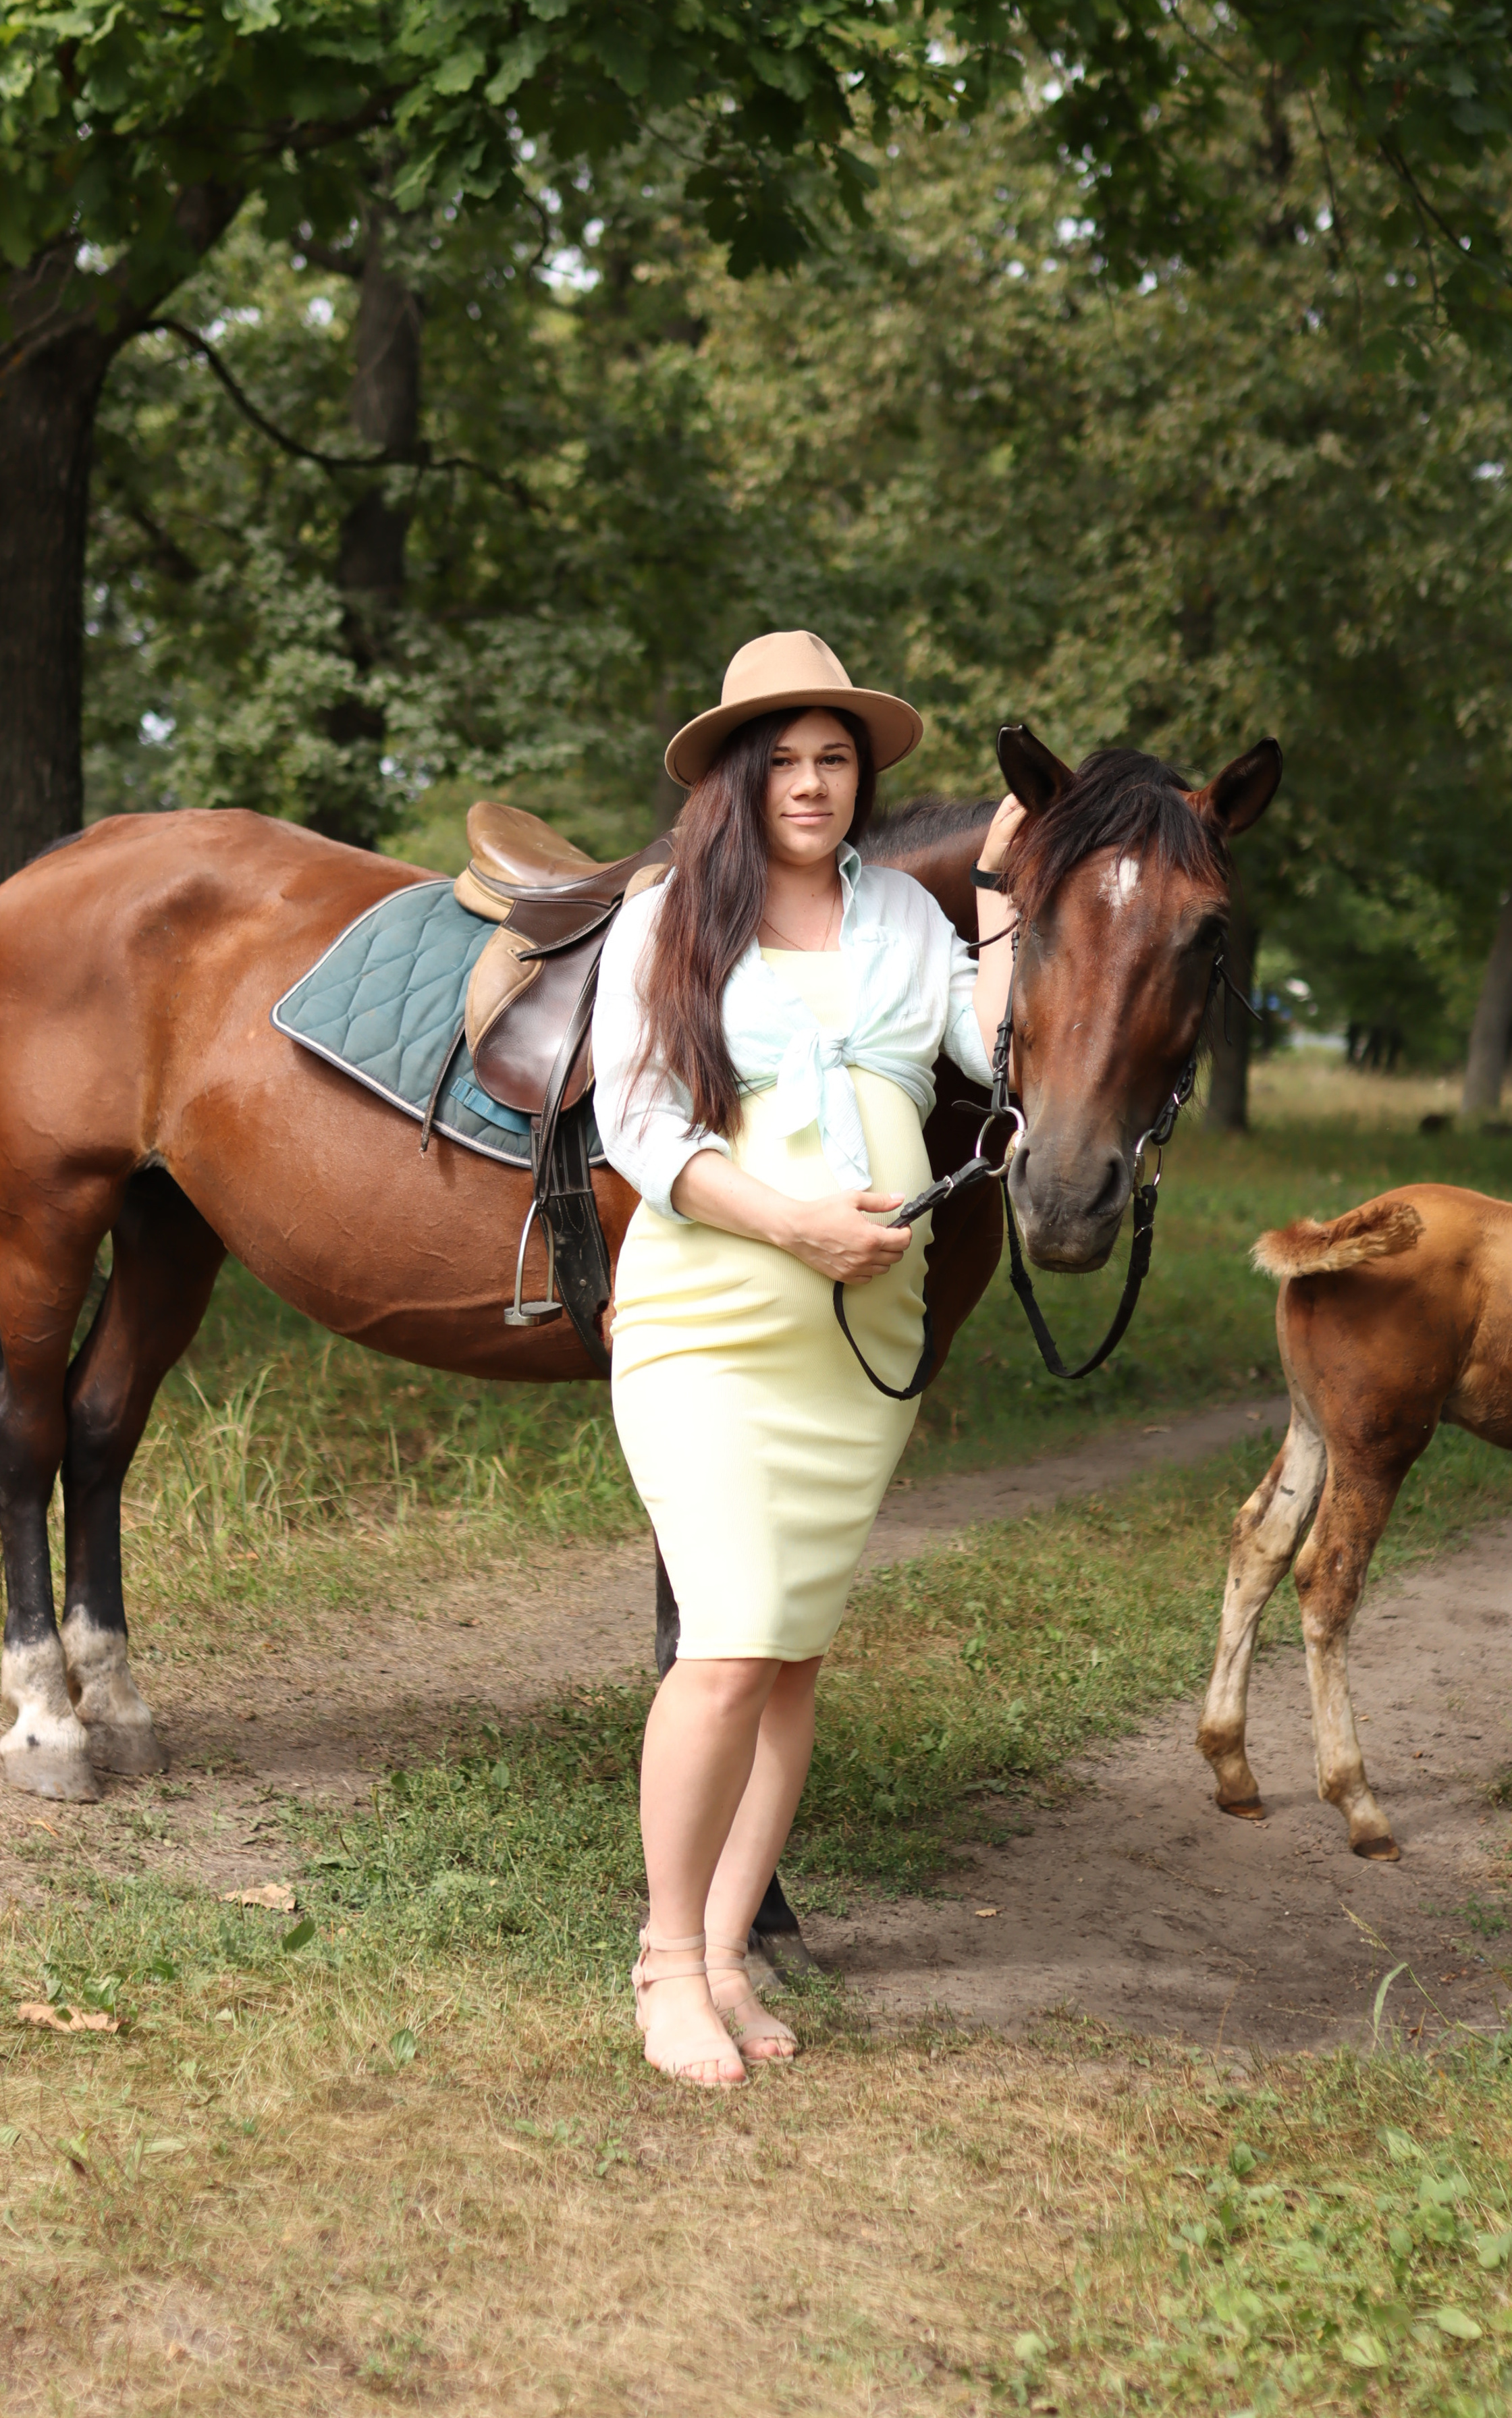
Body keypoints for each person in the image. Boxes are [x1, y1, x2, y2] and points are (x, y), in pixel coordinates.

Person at [591, 630, 1021, 2086]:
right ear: (735, 774)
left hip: (856, 1349)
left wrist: (1019, 891)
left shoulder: (906, 916)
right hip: (707, 1321)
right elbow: (640, 1131)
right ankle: (662, 1962)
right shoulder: (666, 920)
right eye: (782, 757)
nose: (812, 781)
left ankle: (723, 1953)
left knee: (787, 1659)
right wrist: (792, 1225)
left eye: (834, 757)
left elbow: (995, 1049)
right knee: (721, 1646)